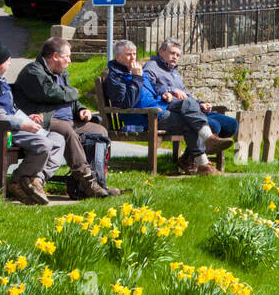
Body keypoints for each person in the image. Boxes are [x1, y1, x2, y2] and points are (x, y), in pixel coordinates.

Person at [0, 39, 65, 205]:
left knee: (58, 140)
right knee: (43, 144)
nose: (10, 62)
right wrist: (22, 125)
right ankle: (20, 182)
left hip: (9, 130)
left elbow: (11, 109)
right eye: (7, 59)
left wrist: (27, 118)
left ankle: (31, 180)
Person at [14, 37, 119, 198]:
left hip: (69, 121)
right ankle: (87, 181)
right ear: (55, 56)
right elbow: (49, 94)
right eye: (67, 57)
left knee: (100, 131)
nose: (70, 61)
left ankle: (99, 180)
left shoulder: (62, 74)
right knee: (67, 131)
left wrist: (81, 110)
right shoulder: (33, 71)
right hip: (45, 120)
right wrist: (74, 92)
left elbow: (70, 100)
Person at [103, 39, 219, 176]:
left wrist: (166, 93)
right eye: (129, 54)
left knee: (188, 102)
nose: (133, 57)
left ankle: (209, 139)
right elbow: (125, 104)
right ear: (117, 57)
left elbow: (153, 90)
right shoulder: (115, 77)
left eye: (134, 54)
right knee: (189, 123)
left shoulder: (135, 71)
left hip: (159, 106)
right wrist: (136, 78)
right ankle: (203, 163)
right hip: (146, 117)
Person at [143, 39, 235, 159]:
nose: (175, 57)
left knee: (231, 125)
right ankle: (194, 158)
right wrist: (170, 90)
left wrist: (201, 104)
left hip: (191, 108)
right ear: (161, 52)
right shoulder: (151, 67)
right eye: (172, 53)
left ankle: (188, 157)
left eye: (178, 55)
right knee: (214, 126)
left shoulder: (175, 73)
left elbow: (186, 94)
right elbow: (149, 87)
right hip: (172, 109)